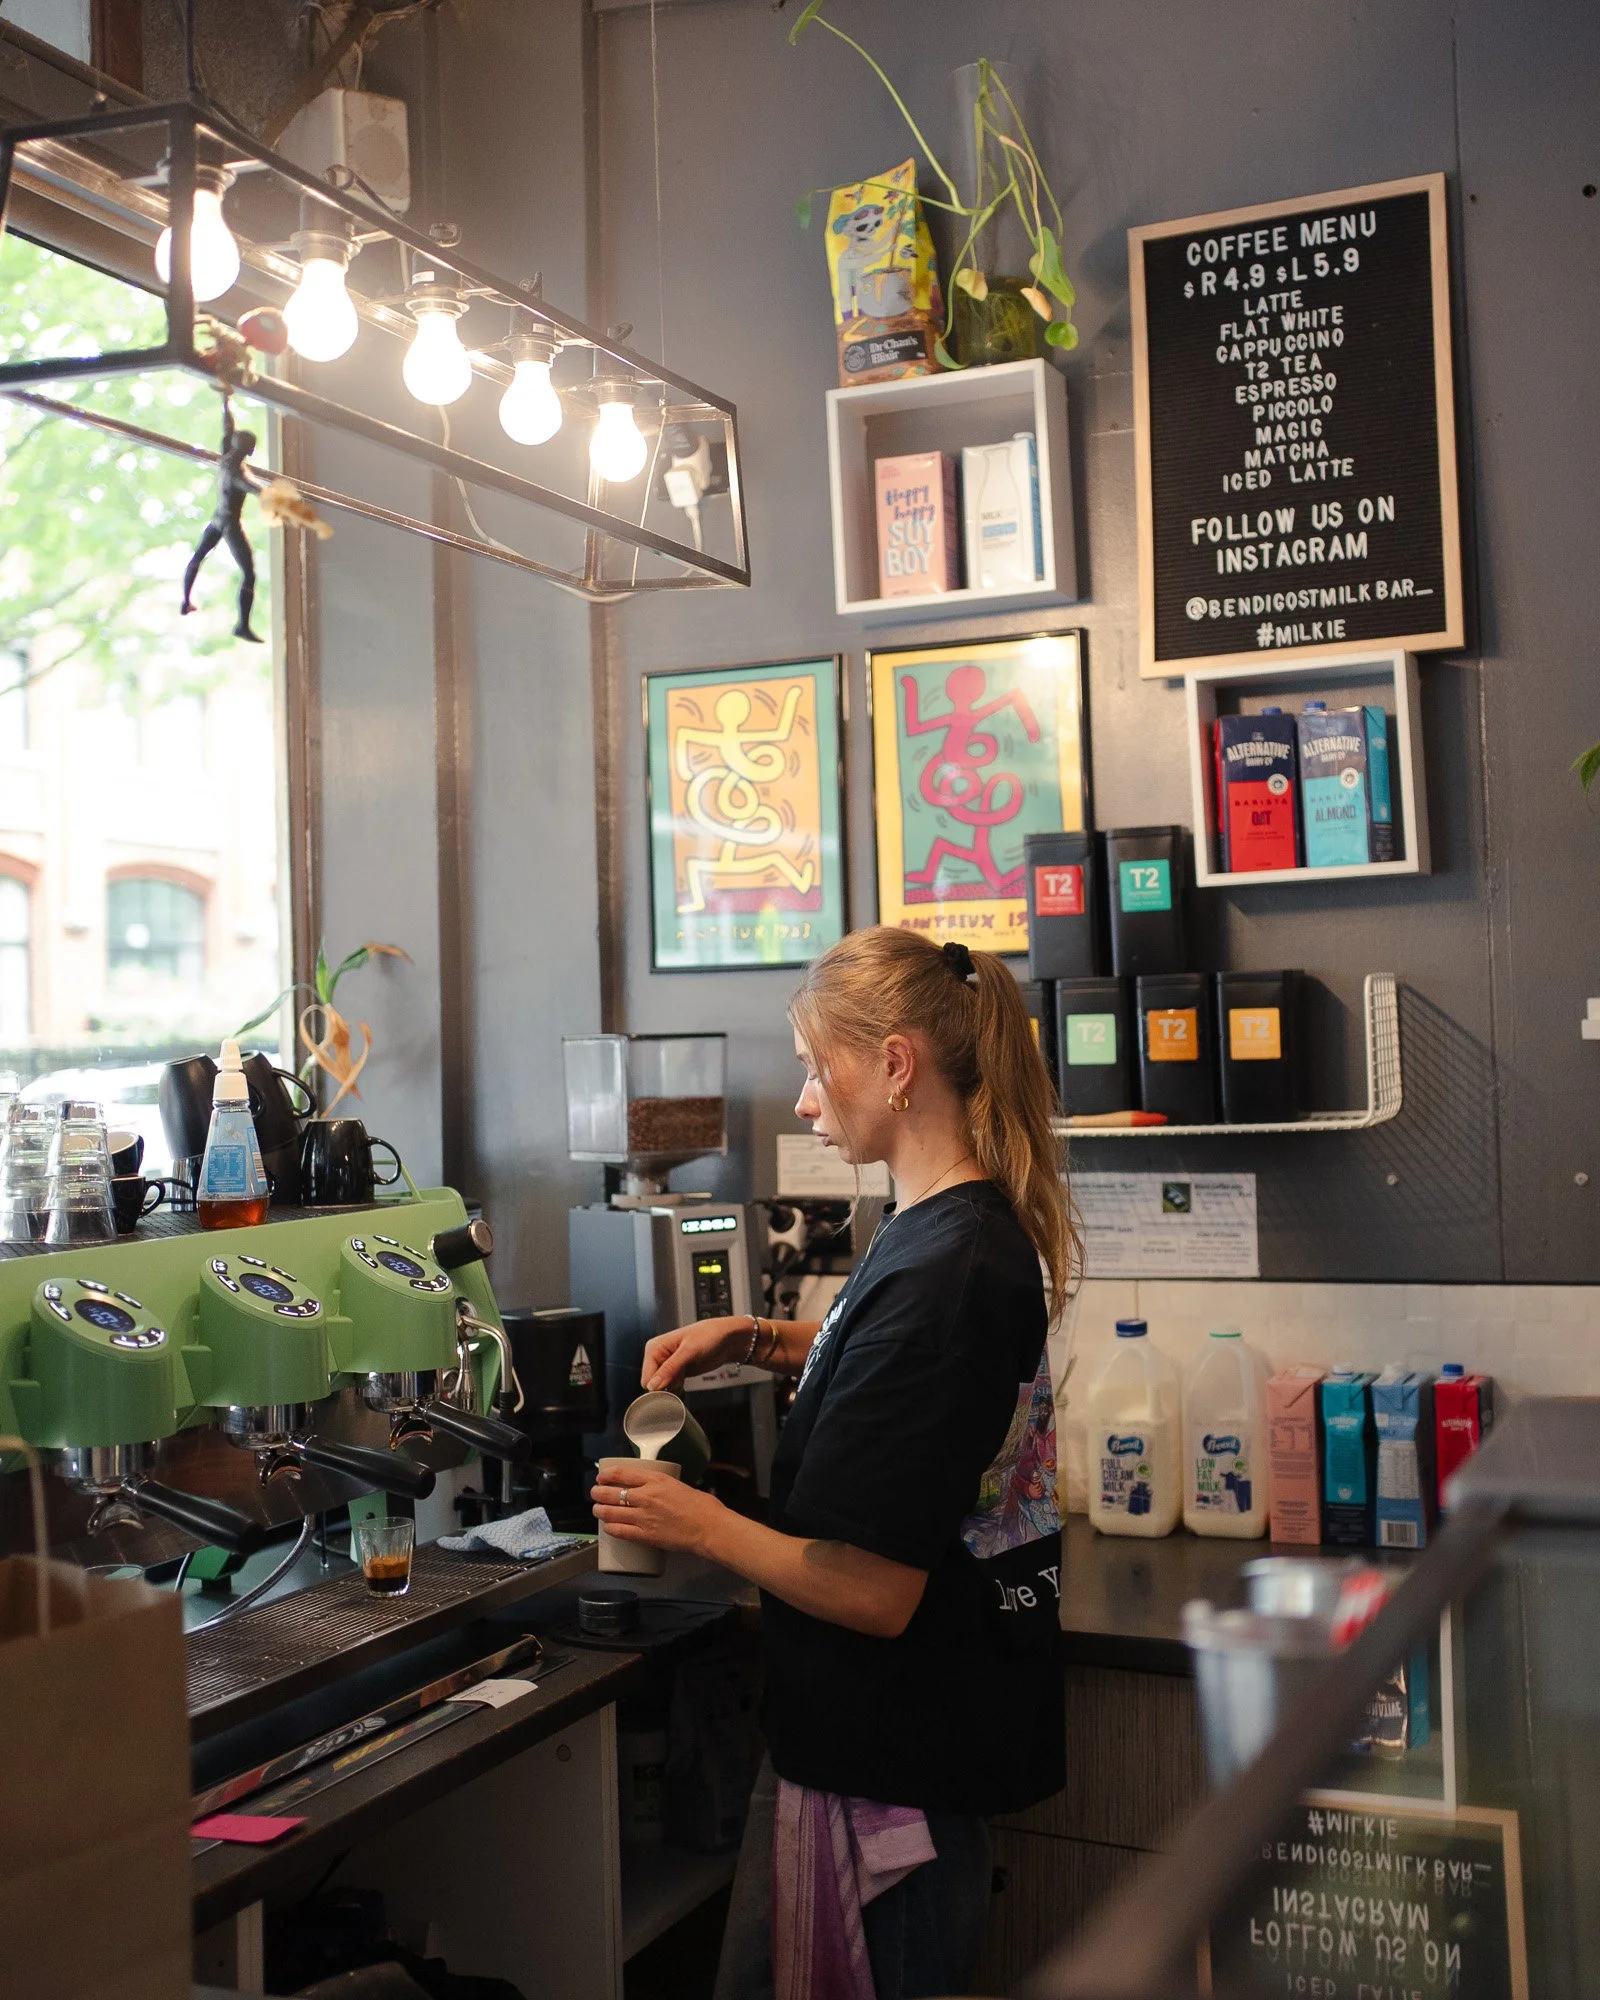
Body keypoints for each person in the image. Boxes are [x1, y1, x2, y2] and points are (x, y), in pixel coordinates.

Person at [591, 927, 1076, 2000]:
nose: (806, 1099)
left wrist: (690, 1521)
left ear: (896, 1065)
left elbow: (871, 1588)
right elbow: (901, 1366)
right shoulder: (952, 1224)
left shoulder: (943, 1273)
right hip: (909, 1737)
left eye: (819, 1066)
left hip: (888, 1764)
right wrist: (760, 1335)